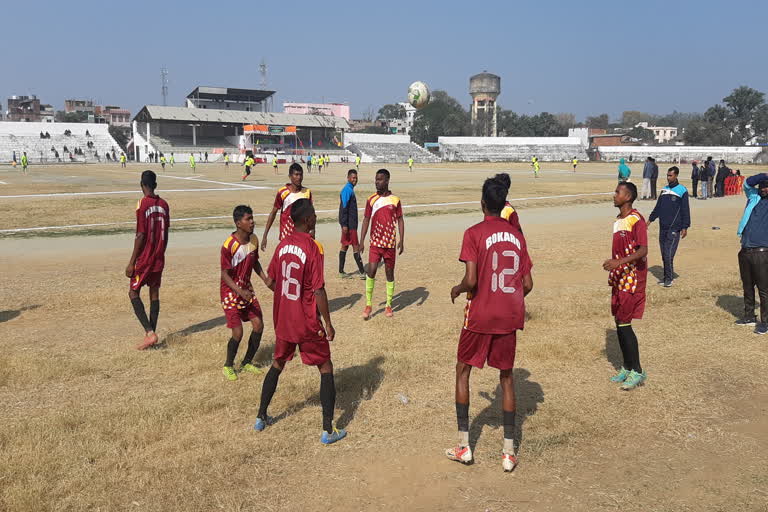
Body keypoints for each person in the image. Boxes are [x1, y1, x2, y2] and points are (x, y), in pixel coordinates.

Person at [445, 176, 533, 471]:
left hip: (480, 314)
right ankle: (508, 453)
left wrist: (458, 289)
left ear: (483, 203)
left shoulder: (473, 233)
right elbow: (528, 283)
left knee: (462, 371)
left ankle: (463, 446)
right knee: (506, 378)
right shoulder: (517, 236)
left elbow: (471, 280)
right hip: (508, 316)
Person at [254, 198, 346, 445]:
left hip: (284, 319)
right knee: (325, 367)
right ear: (307, 219)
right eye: (314, 214)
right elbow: (318, 290)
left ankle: (261, 417)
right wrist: (328, 322)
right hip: (305, 320)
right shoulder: (314, 247)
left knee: (277, 364)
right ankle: (328, 430)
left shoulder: (283, 245)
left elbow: (273, 282)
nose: (316, 217)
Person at [603, 181, 648, 390]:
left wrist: (618, 263)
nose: (614, 195)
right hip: (619, 278)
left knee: (624, 323)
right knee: (619, 322)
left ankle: (638, 370)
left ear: (628, 197)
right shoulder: (618, 220)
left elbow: (642, 250)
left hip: (631, 279)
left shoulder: (635, 219)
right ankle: (627, 367)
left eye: (617, 192)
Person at [220, 205, 269, 380]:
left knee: (258, 325)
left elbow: (255, 263)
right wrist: (239, 291)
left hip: (246, 291)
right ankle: (228, 365)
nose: (252, 222)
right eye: (248, 219)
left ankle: (247, 362)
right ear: (238, 223)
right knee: (238, 332)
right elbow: (224, 274)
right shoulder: (229, 245)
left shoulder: (253, 239)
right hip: (231, 292)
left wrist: (265, 279)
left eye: (252, 218)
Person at [125, 171, 170, 350]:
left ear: (142, 184)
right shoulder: (165, 205)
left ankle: (150, 333)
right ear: (156, 185)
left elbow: (141, 234)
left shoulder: (142, 204)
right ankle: (150, 335)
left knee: (133, 293)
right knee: (154, 293)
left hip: (145, 258)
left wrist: (131, 261)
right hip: (159, 256)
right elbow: (166, 232)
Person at [359, 169, 405, 319]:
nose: (377, 182)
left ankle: (388, 305)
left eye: (380, 179)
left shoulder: (395, 200)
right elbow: (366, 219)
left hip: (390, 244)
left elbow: (400, 220)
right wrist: (361, 240)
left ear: (387, 180)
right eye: (376, 179)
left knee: (389, 273)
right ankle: (368, 305)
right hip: (375, 243)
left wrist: (401, 240)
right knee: (371, 270)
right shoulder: (371, 200)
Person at [735, 173, 768, 334]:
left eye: (767, 186)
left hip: (763, 251)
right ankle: (749, 316)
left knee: (764, 289)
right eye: (762, 186)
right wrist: (764, 175)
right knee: (747, 285)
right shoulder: (753, 197)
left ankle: (765, 322)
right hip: (745, 249)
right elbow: (747, 184)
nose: (764, 189)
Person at [648, 166, 690, 287]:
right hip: (663, 227)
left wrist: (685, 227)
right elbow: (658, 207)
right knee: (664, 254)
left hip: (674, 228)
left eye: (670, 175)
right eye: (667, 175)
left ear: (676, 175)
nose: (668, 177)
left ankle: (669, 279)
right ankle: (666, 277)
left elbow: (685, 210)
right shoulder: (664, 190)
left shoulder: (682, 190)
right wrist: (650, 219)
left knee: (668, 253)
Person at [261, 163, 312, 251]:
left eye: (300, 175)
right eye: (296, 175)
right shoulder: (282, 192)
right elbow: (273, 213)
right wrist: (265, 236)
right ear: (290, 176)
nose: (299, 177)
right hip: (286, 237)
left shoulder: (307, 192)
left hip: (302, 237)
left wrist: (312, 233)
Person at [338, 169, 366, 278]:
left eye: (356, 178)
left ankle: (341, 272)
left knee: (344, 246)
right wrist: (344, 224)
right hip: (350, 225)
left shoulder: (349, 189)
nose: (355, 180)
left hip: (350, 224)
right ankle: (362, 272)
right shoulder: (347, 190)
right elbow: (343, 208)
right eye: (353, 178)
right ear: (348, 178)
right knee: (356, 247)